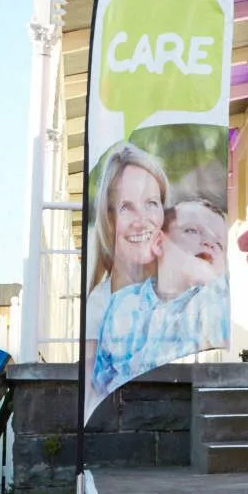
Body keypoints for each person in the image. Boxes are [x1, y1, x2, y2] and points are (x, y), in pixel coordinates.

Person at [93, 196, 231, 397]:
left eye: (219, 243)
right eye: (192, 230)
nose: (209, 243)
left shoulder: (214, 307)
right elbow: (101, 380)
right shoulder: (122, 304)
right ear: (159, 242)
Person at [84, 143, 170, 347]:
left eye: (151, 203)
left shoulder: (183, 295)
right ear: (109, 219)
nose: (141, 220)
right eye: (126, 207)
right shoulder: (99, 305)